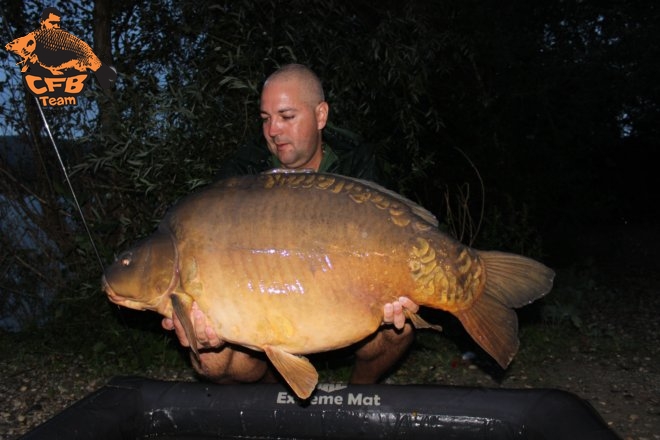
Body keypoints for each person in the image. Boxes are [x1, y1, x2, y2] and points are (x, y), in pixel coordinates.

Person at [162, 63, 419, 385]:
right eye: (266, 119)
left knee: (401, 325)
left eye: (286, 117)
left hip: (342, 313)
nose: (273, 130)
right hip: (266, 313)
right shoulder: (244, 172)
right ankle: (274, 400)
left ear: (321, 116)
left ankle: (356, 396)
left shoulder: (357, 163)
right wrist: (207, 322)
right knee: (212, 361)